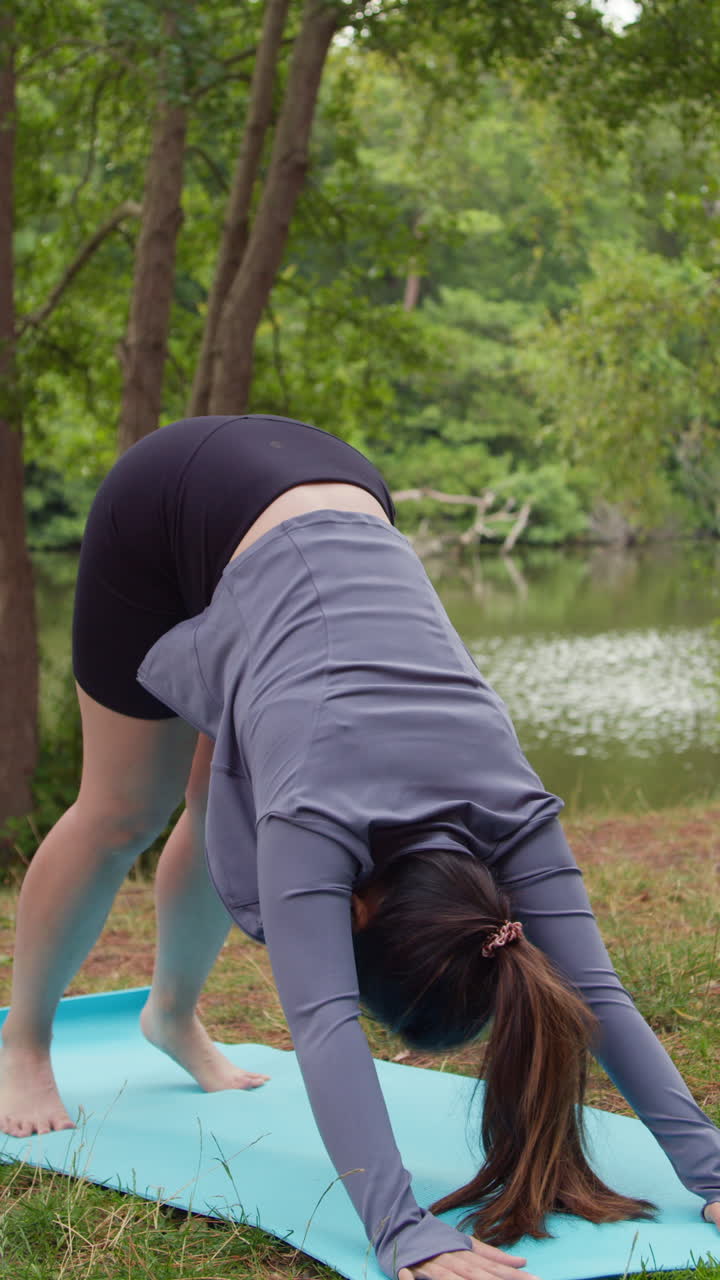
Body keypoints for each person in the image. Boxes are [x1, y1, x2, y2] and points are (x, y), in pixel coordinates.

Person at [1, 415, 718, 1280]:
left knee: (207, 790)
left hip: (328, 486)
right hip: (170, 503)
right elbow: (324, 1024)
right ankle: (24, 1046)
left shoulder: (514, 811)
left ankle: (170, 1016)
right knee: (127, 807)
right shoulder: (315, 824)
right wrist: (401, 1229)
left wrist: (711, 1168)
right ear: (356, 910)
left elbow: (593, 991)